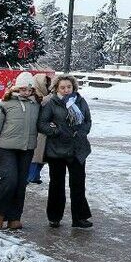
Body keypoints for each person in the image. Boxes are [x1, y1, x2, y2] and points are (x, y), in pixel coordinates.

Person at [0, 71, 40, 230]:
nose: (26, 93)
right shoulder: (4, 104)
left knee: (21, 184)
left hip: (26, 149)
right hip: (5, 149)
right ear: (16, 88)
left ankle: (14, 217)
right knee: (10, 180)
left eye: (29, 90)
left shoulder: (36, 105)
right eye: (23, 89)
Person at [38, 75, 93, 229]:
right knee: (57, 184)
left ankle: (79, 218)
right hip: (57, 150)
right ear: (57, 88)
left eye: (69, 87)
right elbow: (42, 124)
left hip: (77, 149)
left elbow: (87, 121)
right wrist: (56, 131)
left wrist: (81, 133)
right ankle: (54, 217)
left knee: (78, 184)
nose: (66, 90)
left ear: (73, 87)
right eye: (62, 87)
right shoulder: (52, 103)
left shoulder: (80, 101)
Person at [27, 73, 52, 184]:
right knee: (36, 156)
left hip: (45, 130)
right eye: (45, 83)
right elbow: (40, 103)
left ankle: (35, 176)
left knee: (42, 156)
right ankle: (31, 176)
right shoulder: (33, 93)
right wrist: (50, 97)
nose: (47, 85)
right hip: (36, 131)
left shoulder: (46, 94)